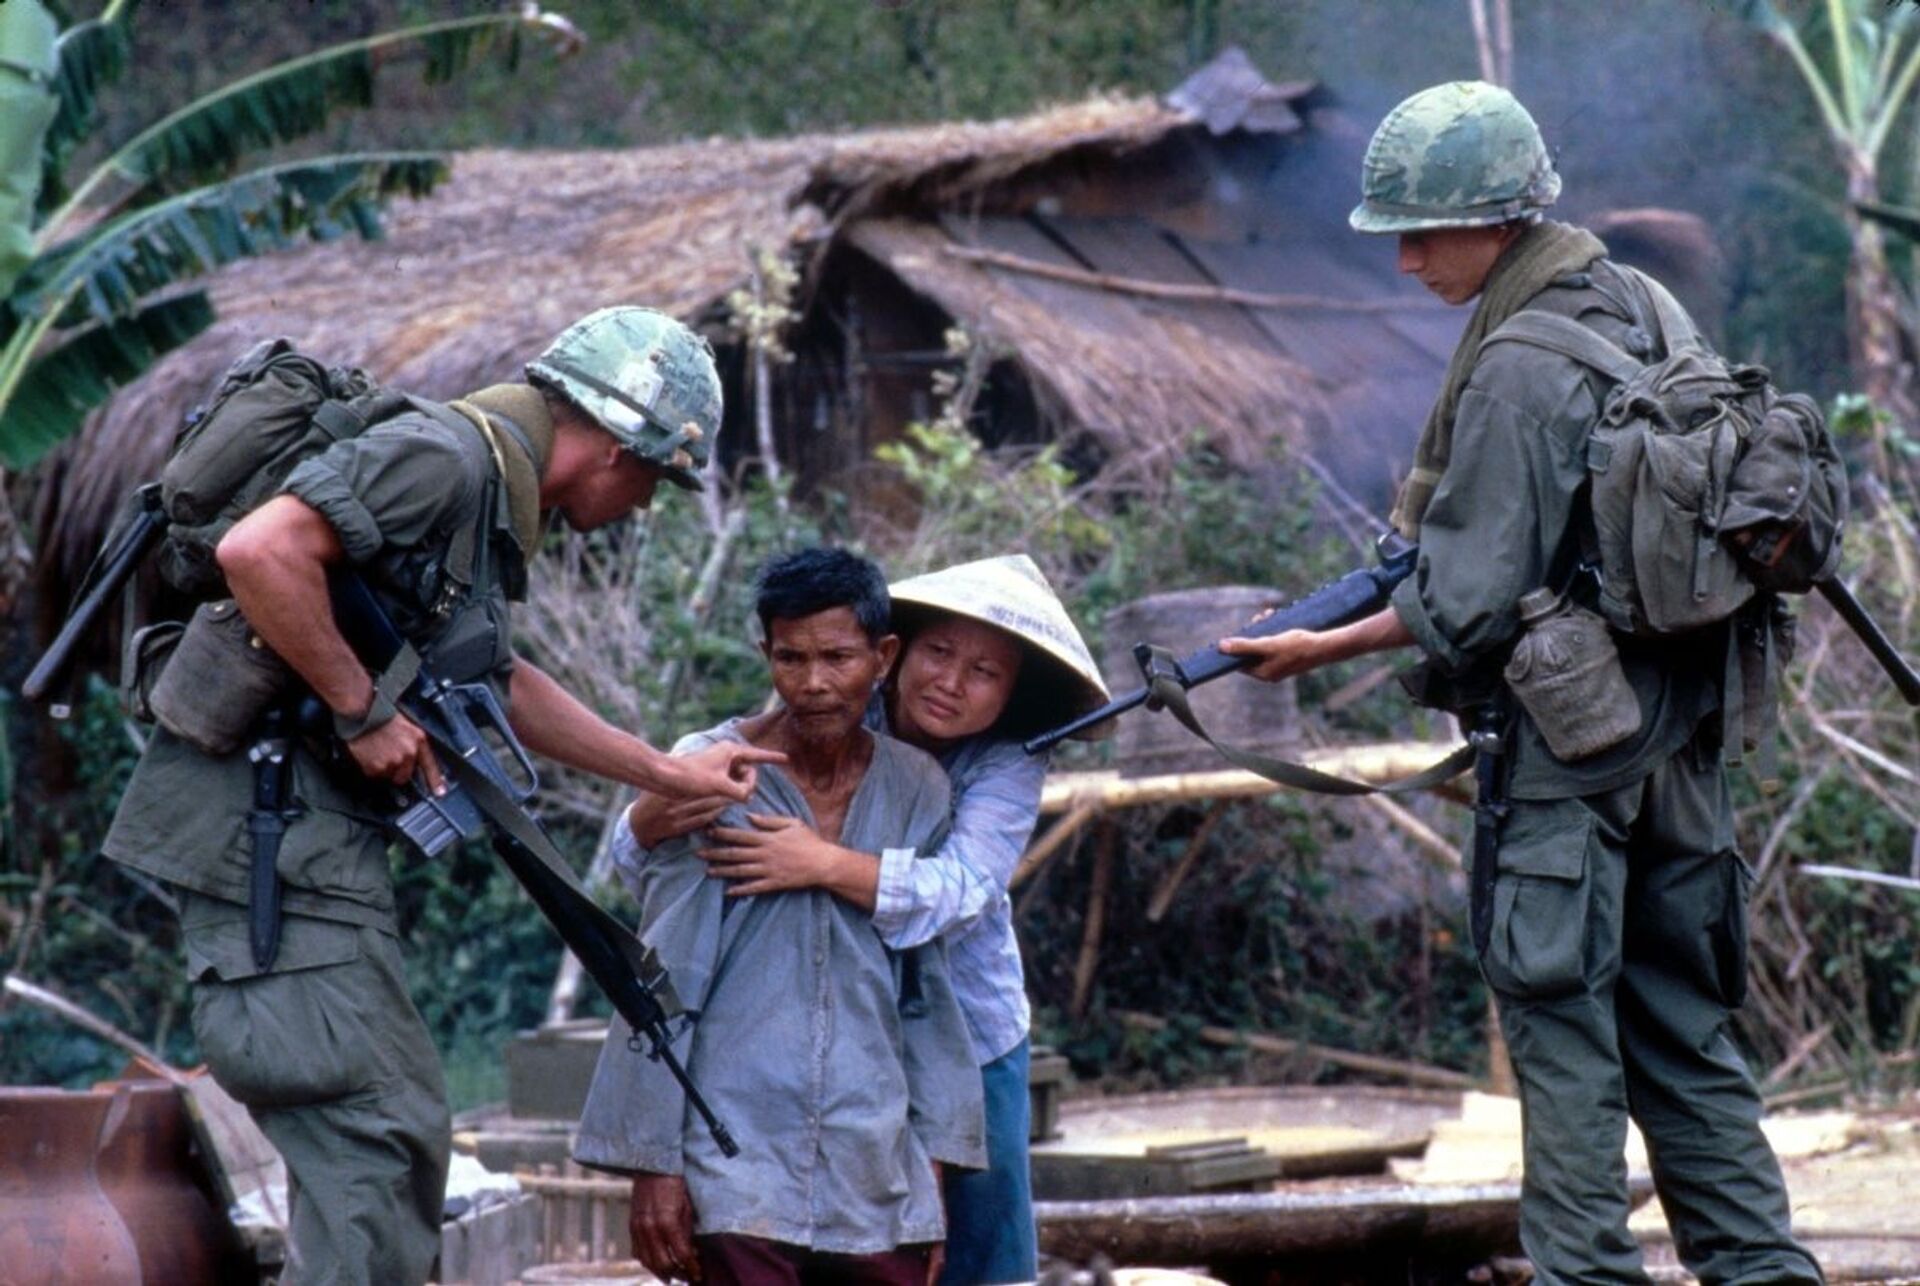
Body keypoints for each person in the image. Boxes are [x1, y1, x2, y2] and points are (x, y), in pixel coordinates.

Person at [1219, 82, 1823, 1285]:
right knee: (1686, 1027)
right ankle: (1761, 1268)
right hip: (1687, 731)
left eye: (1421, 232)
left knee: (1562, 1028)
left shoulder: (1517, 364)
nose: (1402, 261)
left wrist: (1315, 645)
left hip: (1571, 747)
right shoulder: (1646, 301)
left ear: (1497, 219)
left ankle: (1587, 1275)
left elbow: (1468, 596)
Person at [102, 307, 782, 1285]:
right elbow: (263, 552)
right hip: (270, 844)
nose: (645, 503)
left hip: (309, 848)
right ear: (612, 447)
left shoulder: (478, 496)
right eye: (654, 477)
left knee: (394, 1140)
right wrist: (360, 704)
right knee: (378, 1140)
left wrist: (666, 771)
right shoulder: (447, 457)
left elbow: (494, 677)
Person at [622, 553, 1110, 1286]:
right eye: (940, 652)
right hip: (807, 1041)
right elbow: (648, 860)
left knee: (974, 1247)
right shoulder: (831, 697)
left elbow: (962, 890)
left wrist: (819, 861)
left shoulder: (1006, 763)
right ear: (895, 653)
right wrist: (654, 808)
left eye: (984, 673)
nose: (950, 682)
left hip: (965, 1023)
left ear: (1012, 695)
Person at [574, 548, 988, 1286]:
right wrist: (655, 1165)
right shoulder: (713, 771)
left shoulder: (916, 786)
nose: (815, 683)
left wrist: (929, 1166)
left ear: (883, 657)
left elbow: (924, 987)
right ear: (765, 653)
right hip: (735, 1154)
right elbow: (663, 974)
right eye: (790, 658)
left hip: (874, 1160)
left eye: (837, 657)